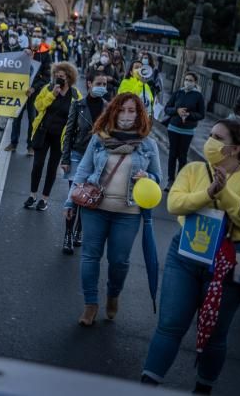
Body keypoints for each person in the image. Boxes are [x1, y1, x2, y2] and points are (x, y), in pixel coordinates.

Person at [141, 120, 240, 393]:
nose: (209, 141)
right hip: (185, 254)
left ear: (235, 148)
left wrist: (226, 195)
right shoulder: (194, 169)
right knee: (169, 325)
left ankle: (203, 387)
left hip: (230, 259)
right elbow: (175, 203)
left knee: (214, 335)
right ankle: (148, 384)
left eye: (217, 137)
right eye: (209, 135)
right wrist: (207, 193)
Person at [65, 93, 161, 327]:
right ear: (113, 111)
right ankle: (90, 304)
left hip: (128, 213)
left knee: (119, 261)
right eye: (122, 110)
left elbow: (159, 179)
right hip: (95, 208)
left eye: (132, 111)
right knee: (90, 256)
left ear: (139, 114)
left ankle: (113, 294)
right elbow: (83, 171)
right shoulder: (99, 139)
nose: (126, 115)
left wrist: (147, 176)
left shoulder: (148, 144)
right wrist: (70, 202)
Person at [61, 73, 110, 254]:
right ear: (89, 84)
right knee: (75, 196)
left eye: (104, 83)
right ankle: (67, 235)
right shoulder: (78, 105)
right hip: (77, 154)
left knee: (88, 197)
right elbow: (69, 133)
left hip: (98, 158)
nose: (102, 86)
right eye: (99, 83)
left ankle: (78, 231)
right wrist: (65, 158)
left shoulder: (108, 108)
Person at [23, 62, 82, 211]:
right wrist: (52, 95)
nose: (58, 79)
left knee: (52, 168)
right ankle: (32, 195)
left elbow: (80, 114)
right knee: (37, 164)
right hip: (44, 132)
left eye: (61, 77)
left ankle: (44, 198)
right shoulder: (48, 88)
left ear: (69, 78)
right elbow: (38, 105)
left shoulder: (75, 94)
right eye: (56, 76)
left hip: (61, 138)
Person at [8, 30, 52, 154]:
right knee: (17, 117)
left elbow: (47, 77)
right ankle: (13, 143)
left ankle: (30, 146)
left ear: (42, 39)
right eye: (35, 36)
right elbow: (9, 58)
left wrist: (34, 88)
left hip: (35, 92)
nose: (36, 38)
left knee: (33, 119)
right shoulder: (24, 51)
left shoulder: (46, 55)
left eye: (39, 36)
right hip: (21, 91)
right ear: (31, 38)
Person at [163, 71, 206, 190]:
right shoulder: (178, 92)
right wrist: (176, 111)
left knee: (182, 156)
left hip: (187, 130)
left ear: (195, 82)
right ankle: (170, 180)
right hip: (173, 128)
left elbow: (201, 114)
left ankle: (180, 181)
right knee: (172, 154)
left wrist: (189, 115)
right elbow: (167, 108)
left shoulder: (198, 96)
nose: (187, 82)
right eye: (186, 79)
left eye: (190, 80)